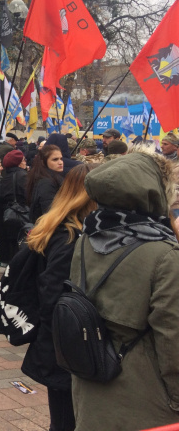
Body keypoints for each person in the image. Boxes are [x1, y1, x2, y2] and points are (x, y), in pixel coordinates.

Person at [68, 150, 179, 431]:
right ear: (155, 193)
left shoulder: (89, 235)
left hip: (92, 376)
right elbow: (173, 339)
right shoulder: (165, 254)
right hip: (146, 396)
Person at [22, 164, 95, 431]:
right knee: (66, 419)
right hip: (65, 341)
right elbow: (53, 290)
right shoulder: (71, 235)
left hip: (58, 338)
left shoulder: (56, 225)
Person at [0, 149, 29, 264]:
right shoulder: (24, 176)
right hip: (23, 214)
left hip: (7, 216)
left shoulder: (4, 178)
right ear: (18, 162)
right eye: (23, 160)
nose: (25, 162)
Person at [27, 144, 65, 223]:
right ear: (44, 162)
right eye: (55, 159)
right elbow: (49, 212)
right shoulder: (46, 183)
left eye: (61, 159)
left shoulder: (53, 177)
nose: (60, 162)